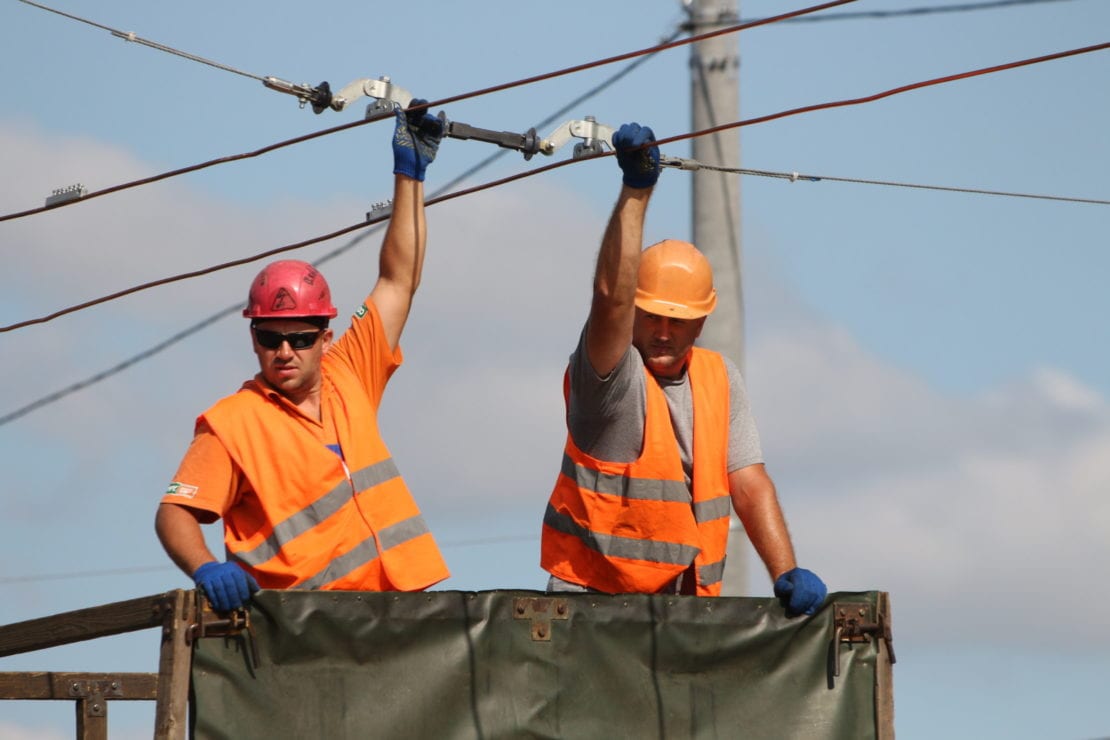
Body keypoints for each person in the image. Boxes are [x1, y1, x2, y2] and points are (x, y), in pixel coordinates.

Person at [155, 100, 450, 611]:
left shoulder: (350, 373)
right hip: (304, 636)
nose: (285, 351)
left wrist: (410, 176)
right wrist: (205, 566)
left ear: (326, 337)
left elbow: (399, 280)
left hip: (399, 615)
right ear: (254, 340)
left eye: (301, 338)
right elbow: (173, 513)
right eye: (271, 339)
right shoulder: (232, 425)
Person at [540, 122, 827, 616]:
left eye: (679, 321)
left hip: (684, 615)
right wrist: (636, 191)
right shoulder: (609, 379)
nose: (664, 333)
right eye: (651, 317)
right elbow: (609, 298)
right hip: (592, 613)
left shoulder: (719, 379)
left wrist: (786, 571)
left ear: (701, 322)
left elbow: (748, 482)